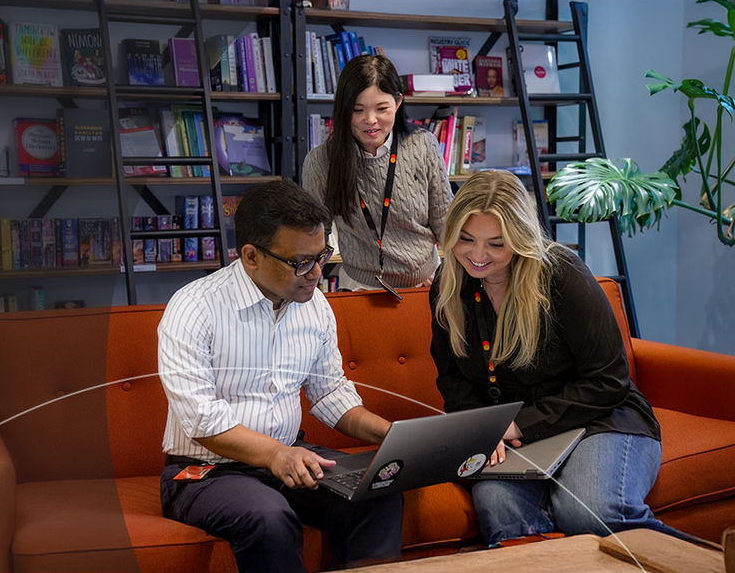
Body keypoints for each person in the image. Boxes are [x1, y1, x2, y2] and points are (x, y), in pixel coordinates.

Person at [158, 180, 403, 571]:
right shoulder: (193, 308)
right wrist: (275, 454)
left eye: (322, 255)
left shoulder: (315, 305)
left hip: (291, 456)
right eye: (300, 262)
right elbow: (201, 420)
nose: (316, 273)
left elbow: (329, 394)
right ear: (251, 256)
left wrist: (391, 437)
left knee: (378, 491)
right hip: (208, 472)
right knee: (268, 516)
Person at [429, 170, 681, 546]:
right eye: (466, 239)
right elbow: (452, 377)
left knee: (589, 509)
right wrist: (480, 427)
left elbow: (609, 379)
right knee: (498, 506)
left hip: (600, 420)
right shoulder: (448, 285)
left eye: (496, 245)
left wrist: (519, 425)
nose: (477, 256)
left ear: (522, 239)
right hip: (515, 440)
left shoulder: (560, 274)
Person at [301, 53, 452, 292]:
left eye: (382, 109)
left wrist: (448, 281)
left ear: (398, 103)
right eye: (358, 110)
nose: (370, 120)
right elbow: (312, 236)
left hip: (425, 283)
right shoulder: (321, 161)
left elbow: (445, 223)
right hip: (360, 288)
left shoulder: (423, 145)